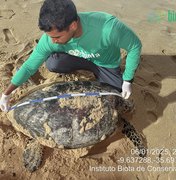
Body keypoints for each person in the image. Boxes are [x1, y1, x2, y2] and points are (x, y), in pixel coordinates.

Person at [0, 0, 142, 112]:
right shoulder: (50, 39)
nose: (53, 41)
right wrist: (6, 94)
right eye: (50, 36)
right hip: (76, 56)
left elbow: (135, 46)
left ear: (73, 25)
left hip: (104, 63)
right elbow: (29, 66)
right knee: (52, 64)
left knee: (116, 92)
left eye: (57, 36)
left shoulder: (108, 28)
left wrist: (128, 80)